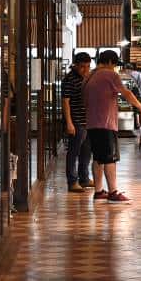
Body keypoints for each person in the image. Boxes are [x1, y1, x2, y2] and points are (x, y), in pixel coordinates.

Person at [83, 50, 141, 204]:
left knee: (98, 158)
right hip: (105, 122)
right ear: (109, 62)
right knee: (110, 158)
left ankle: (99, 191)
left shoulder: (89, 76)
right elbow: (126, 93)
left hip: (91, 123)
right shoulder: (110, 74)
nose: (115, 68)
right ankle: (113, 192)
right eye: (114, 64)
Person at [62, 52, 94, 192]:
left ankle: (84, 179)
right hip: (76, 122)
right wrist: (69, 123)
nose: (85, 70)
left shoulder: (87, 77)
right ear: (75, 65)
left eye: (88, 66)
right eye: (82, 67)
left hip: (88, 122)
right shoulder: (69, 79)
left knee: (86, 152)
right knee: (73, 152)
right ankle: (72, 181)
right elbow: (65, 102)